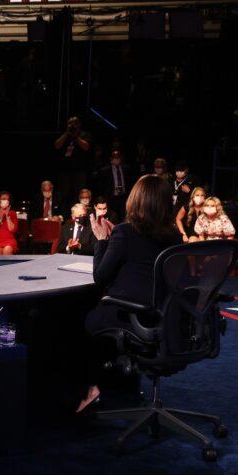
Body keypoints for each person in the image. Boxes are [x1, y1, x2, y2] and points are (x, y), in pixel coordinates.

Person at [79, 174, 182, 412]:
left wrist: (103, 240)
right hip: (165, 321)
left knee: (87, 320)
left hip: (133, 318)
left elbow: (101, 277)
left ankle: (91, 388)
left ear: (135, 201)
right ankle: (120, 386)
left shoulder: (124, 232)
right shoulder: (174, 236)